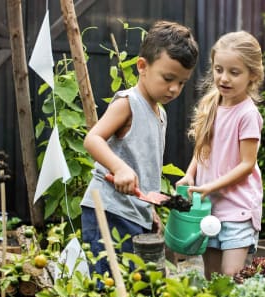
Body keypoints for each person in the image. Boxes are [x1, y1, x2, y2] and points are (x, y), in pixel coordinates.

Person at [80, 20, 198, 276]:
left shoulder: (161, 114)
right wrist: (119, 167)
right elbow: (92, 139)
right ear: (142, 66)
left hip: (136, 214)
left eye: (182, 82)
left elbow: (146, 166)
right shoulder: (128, 103)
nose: (174, 88)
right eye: (168, 78)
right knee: (109, 287)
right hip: (108, 211)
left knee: (136, 287)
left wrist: (150, 208)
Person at [177, 31, 264, 280]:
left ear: (253, 76)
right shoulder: (212, 103)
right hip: (209, 207)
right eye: (218, 69)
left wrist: (209, 186)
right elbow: (202, 147)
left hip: (238, 210)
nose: (224, 78)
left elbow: (247, 164)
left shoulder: (247, 114)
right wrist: (190, 175)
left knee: (230, 276)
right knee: (212, 277)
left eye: (234, 72)